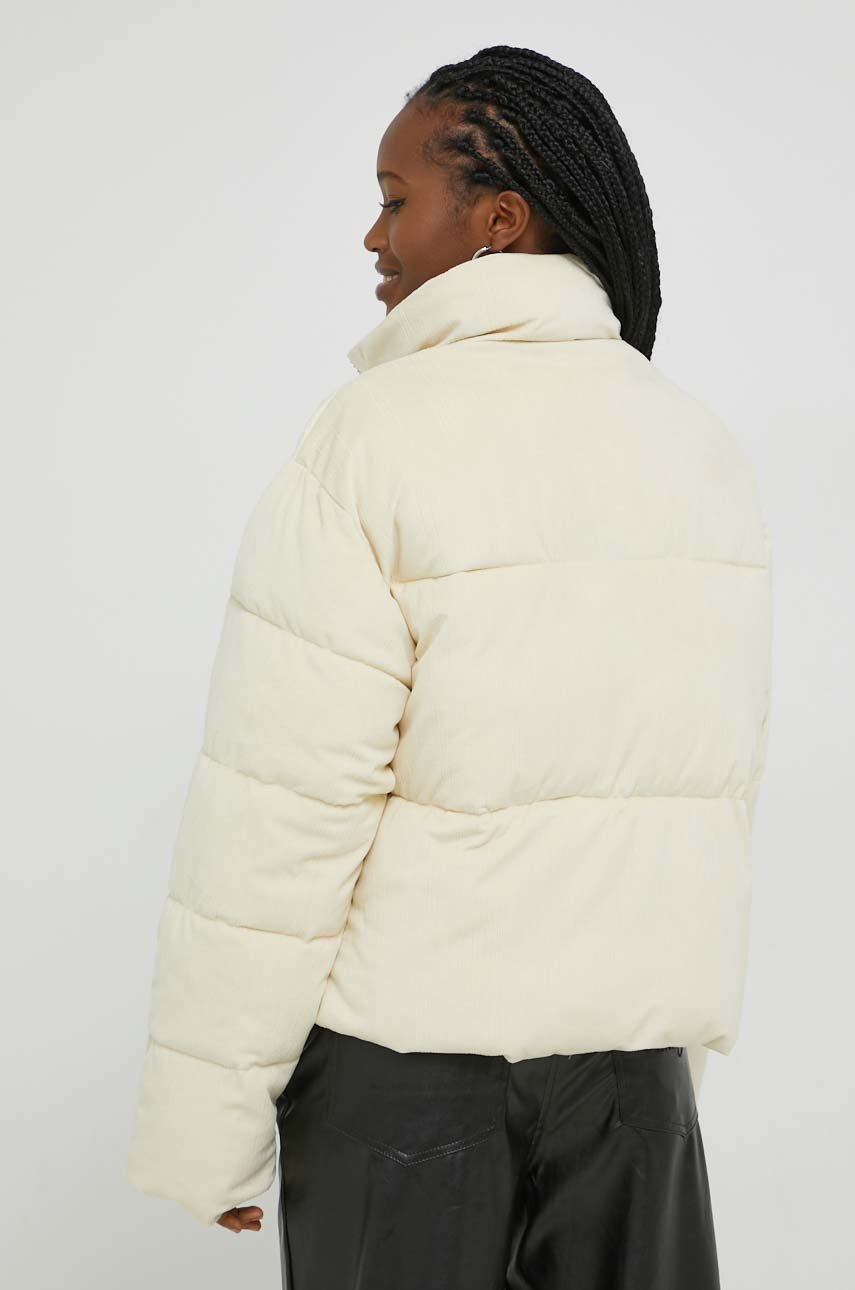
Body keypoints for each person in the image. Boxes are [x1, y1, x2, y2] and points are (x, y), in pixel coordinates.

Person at [126, 44, 773, 1289]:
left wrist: (210, 1130)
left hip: (406, 1090)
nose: (374, 236)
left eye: (394, 197)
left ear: (498, 221)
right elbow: (704, 803)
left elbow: (285, 810)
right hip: (632, 1094)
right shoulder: (697, 446)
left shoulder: (372, 441)